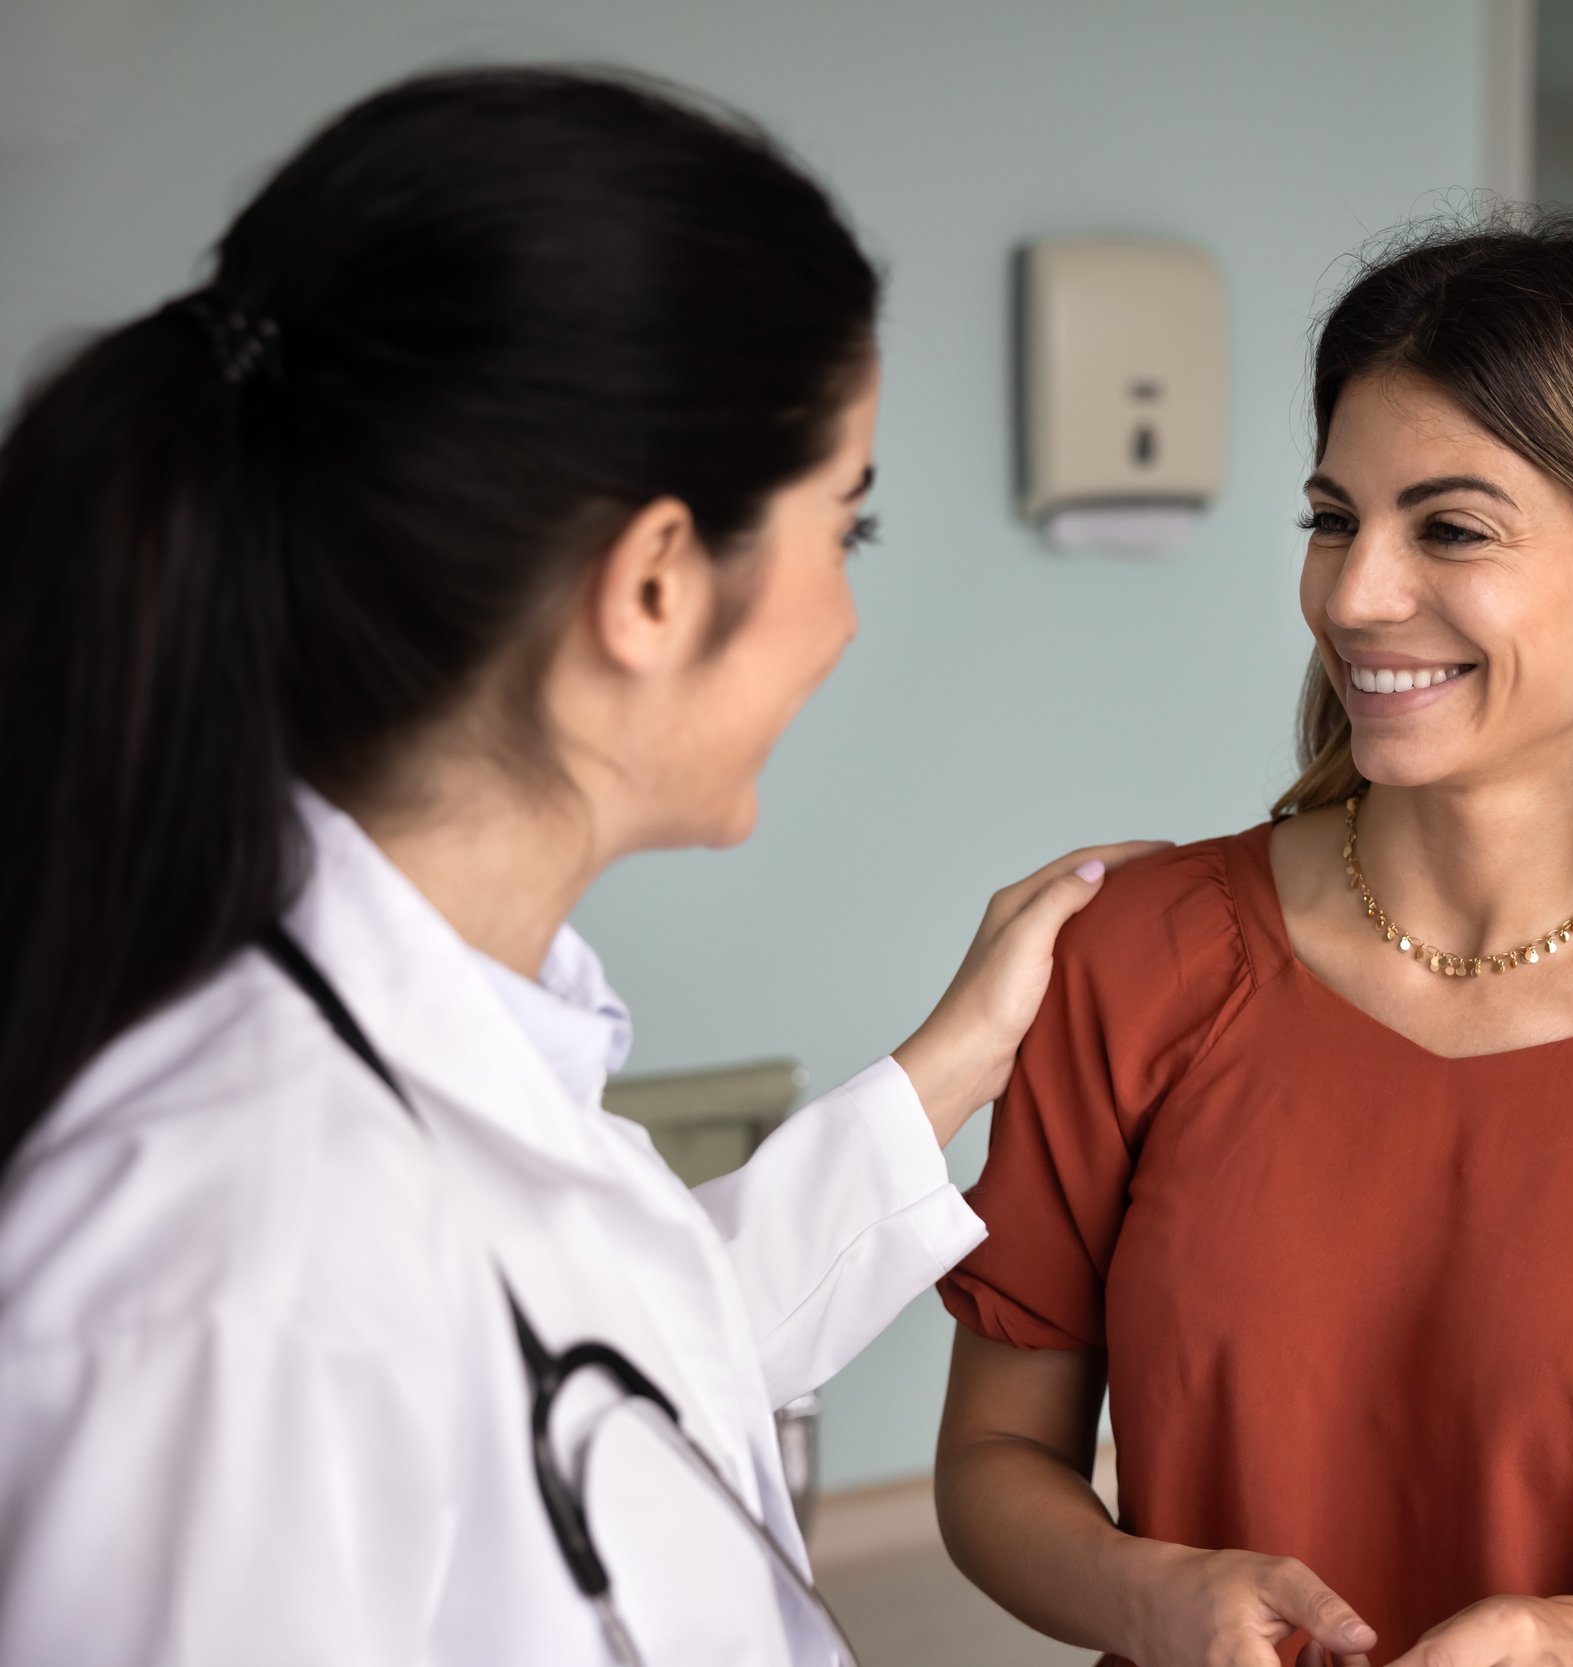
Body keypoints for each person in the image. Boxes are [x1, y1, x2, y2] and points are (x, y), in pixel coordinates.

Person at [0, 67, 1158, 1667]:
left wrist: (953, 1064)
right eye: (848, 529)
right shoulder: (230, 1269)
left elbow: (609, 1362)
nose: (845, 618)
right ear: (658, 586)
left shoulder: (455, 1067)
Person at [931, 215, 1573, 1667]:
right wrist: (1148, 1597)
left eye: (1453, 529)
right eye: (1332, 519)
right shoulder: (1140, 963)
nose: (1353, 596)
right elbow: (992, 1464)